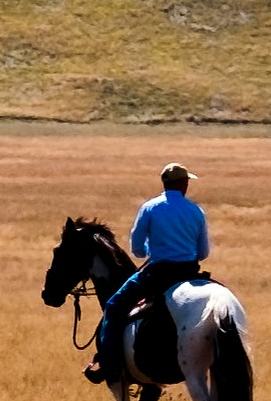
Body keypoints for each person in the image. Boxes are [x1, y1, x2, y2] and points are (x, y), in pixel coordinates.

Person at [85, 162, 208, 385]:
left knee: (113, 307)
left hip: (158, 273)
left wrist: (156, 249)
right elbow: (203, 252)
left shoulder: (150, 208)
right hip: (190, 273)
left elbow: (138, 250)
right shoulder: (196, 211)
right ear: (183, 184)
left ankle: (109, 364)